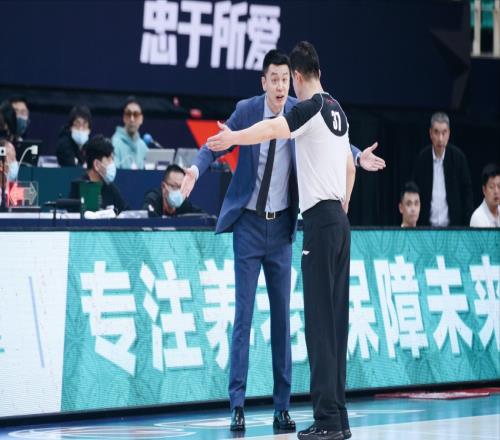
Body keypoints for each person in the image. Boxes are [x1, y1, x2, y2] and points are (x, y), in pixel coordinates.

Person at [207, 41, 358, 440]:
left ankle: (326, 421)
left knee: (320, 327)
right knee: (336, 326)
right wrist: (342, 206)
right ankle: (339, 417)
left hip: (320, 224)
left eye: (288, 79)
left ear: (297, 76)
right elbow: (349, 167)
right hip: (339, 222)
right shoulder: (337, 109)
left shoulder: (309, 108)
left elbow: (273, 128)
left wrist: (234, 137)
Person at [413, 112, 473, 226]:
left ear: (449, 133)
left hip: (454, 227)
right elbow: (415, 192)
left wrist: (466, 225)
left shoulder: (458, 158)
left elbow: (467, 194)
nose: (440, 138)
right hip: (427, 227)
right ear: (430, 133)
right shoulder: (422, 158)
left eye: (444, 132)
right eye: (436, 132)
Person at [68, 135, 128, 213]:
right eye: (109, 159)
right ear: (96, 164)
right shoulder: (79, 187)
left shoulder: (110, 188)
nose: (112, 164)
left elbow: (126, 212)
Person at [111, 97, 148, 169]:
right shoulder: (114, 143)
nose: (132, 119)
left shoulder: (143, 146)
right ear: (124, 117)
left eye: (136, 114)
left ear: (141, 119)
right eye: (128, 114)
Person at [470, 163, 500, 227]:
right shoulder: (477, 218)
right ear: (484, 190)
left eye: (499, 186)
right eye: (492, 187)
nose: (496, 191)